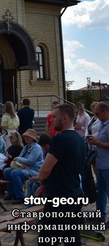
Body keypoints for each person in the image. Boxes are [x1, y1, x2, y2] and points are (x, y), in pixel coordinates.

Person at [32, 103, 87, 245]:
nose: (51, 119)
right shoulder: (80, 140)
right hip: (75, 194)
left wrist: (42, 180)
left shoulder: (60, 139)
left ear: (65, 118)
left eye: (54, 117)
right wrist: (48, 183)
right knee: (72, 238)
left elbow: (45, 169)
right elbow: (66, 168)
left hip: (60, 197)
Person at [3, 129, 44, 204]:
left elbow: (30, 161)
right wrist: (21, 161)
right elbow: (22, 159)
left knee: (15, 173)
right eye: (25, 137)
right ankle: (12, 193)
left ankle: (20, 196)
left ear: (33, 138)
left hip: (34, 170)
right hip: (25, 168)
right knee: (6, 171)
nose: (26, 138)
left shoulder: (36, 148)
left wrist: (19, 159)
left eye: (28, 137)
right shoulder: (26, 147)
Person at [87, 101, 109, 228]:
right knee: (100, 191)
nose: (96, 115)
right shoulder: (101, 124)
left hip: (107, 165)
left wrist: (98, 143)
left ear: (105, 112)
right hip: (101, 164)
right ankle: (100, 216)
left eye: (97, 113)